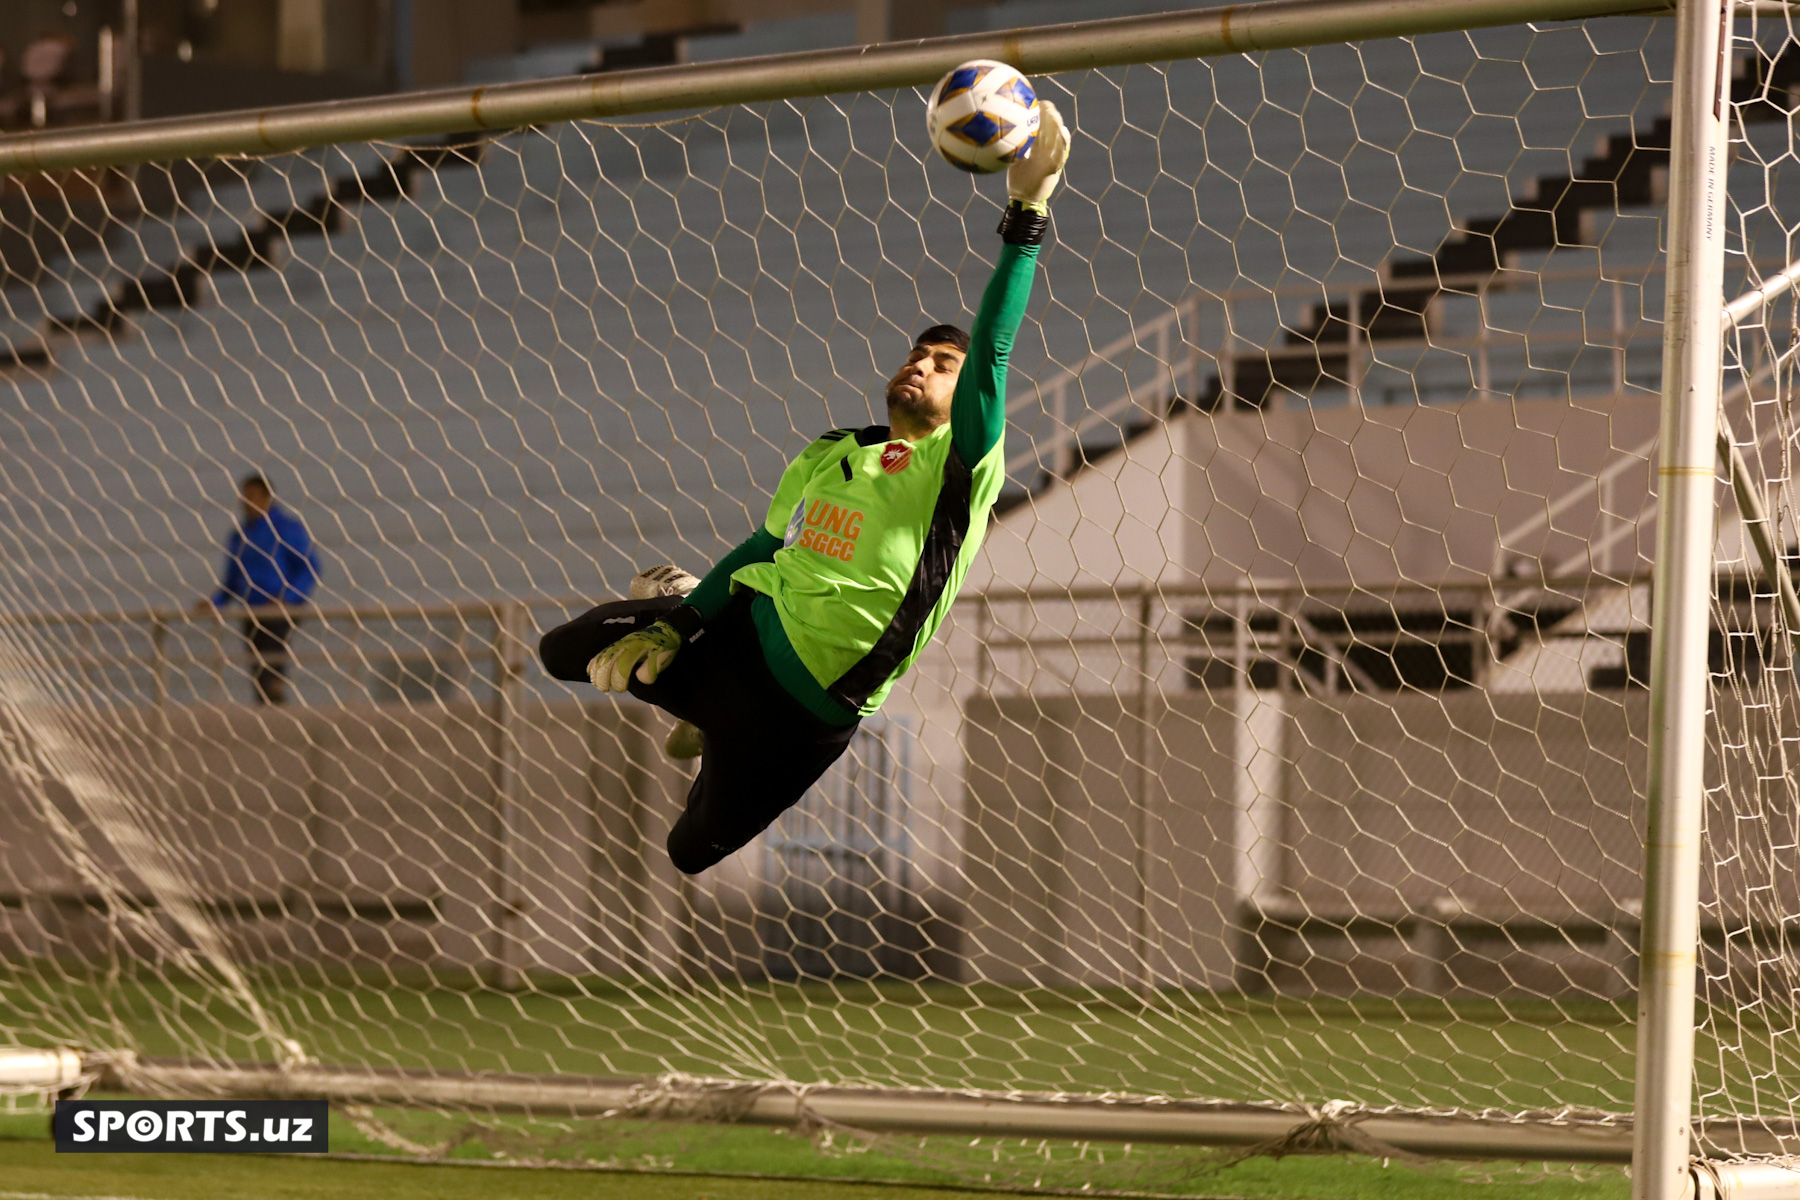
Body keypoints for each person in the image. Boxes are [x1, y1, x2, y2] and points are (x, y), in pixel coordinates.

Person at [539, 103, 1072, 875]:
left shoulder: (958, 471)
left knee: (689, 852)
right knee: (560, 650)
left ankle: (706, 730)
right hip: (736, 642)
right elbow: (763, 544)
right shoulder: (832, 451)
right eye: (917, 354)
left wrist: (1028, 214)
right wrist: (682, 622)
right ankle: (688, 617)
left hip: (803, 718)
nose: (921, 364)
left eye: (941, 364)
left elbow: (992, 350)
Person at [195, 473, 321, 705]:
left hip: (280, 611)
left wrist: (287, 598)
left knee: (272, 659)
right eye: (244, 496)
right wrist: (215, 603)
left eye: (251, 495)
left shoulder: (286, 529)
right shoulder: (240, 536)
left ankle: (276, 700)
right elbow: (233, 580)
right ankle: (267, 712)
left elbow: (309, 568)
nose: (246, 501)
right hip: (251, 611)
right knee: (256, 664)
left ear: (266, 498)